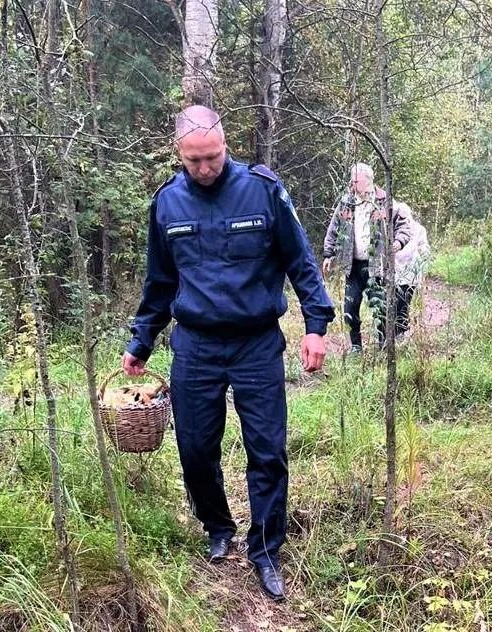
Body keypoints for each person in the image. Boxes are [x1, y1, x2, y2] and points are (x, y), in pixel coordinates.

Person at [121, 105, 335, 602]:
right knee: (195, 450)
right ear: (180, 154)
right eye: (194, 160)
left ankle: (265, 550)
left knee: (267, 450)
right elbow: (159, 282)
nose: (205, 168)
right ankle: (218, 528)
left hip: (256, 342)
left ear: (225, 144)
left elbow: (299, 259)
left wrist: (317, 325)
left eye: (213, 157)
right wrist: (141, 341)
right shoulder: (167, 204)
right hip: (195, 345)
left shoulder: (262, 190)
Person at [321, 163, 412, 352]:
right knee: (349, 309)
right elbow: (334, 229)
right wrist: (328, 254)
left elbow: (404, 225)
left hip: (376, 266)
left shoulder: (384, 200)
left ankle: (383, 346)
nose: (352, 185)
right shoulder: (346, 202)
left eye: (356, 181)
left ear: (368, 181)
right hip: (352, 266)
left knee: (380, 308)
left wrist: (399, 241)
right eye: (352, 181)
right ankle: (356, 346)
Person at [393, 212, 431, 339]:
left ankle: (401, 333)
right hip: (394, 272)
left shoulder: (419, 229)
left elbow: (424, 248)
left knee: (404, 302)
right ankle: (390, 333)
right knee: (393, 303)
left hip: (410, 274)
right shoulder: (391, 229)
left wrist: (422, 269)